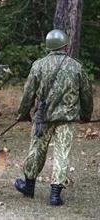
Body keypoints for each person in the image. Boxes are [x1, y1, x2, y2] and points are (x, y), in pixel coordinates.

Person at [14, 29, 93, 206]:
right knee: (62, 153)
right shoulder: (76, 66)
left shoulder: (38, 65)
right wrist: (86, 115)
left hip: (43, 117)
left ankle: (29, 186)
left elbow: (28, 93)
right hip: (67, 118)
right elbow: (86, 94)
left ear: (48, 46)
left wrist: (23, 113)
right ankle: (55, 195)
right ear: (66, 45)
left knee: (36, 150)